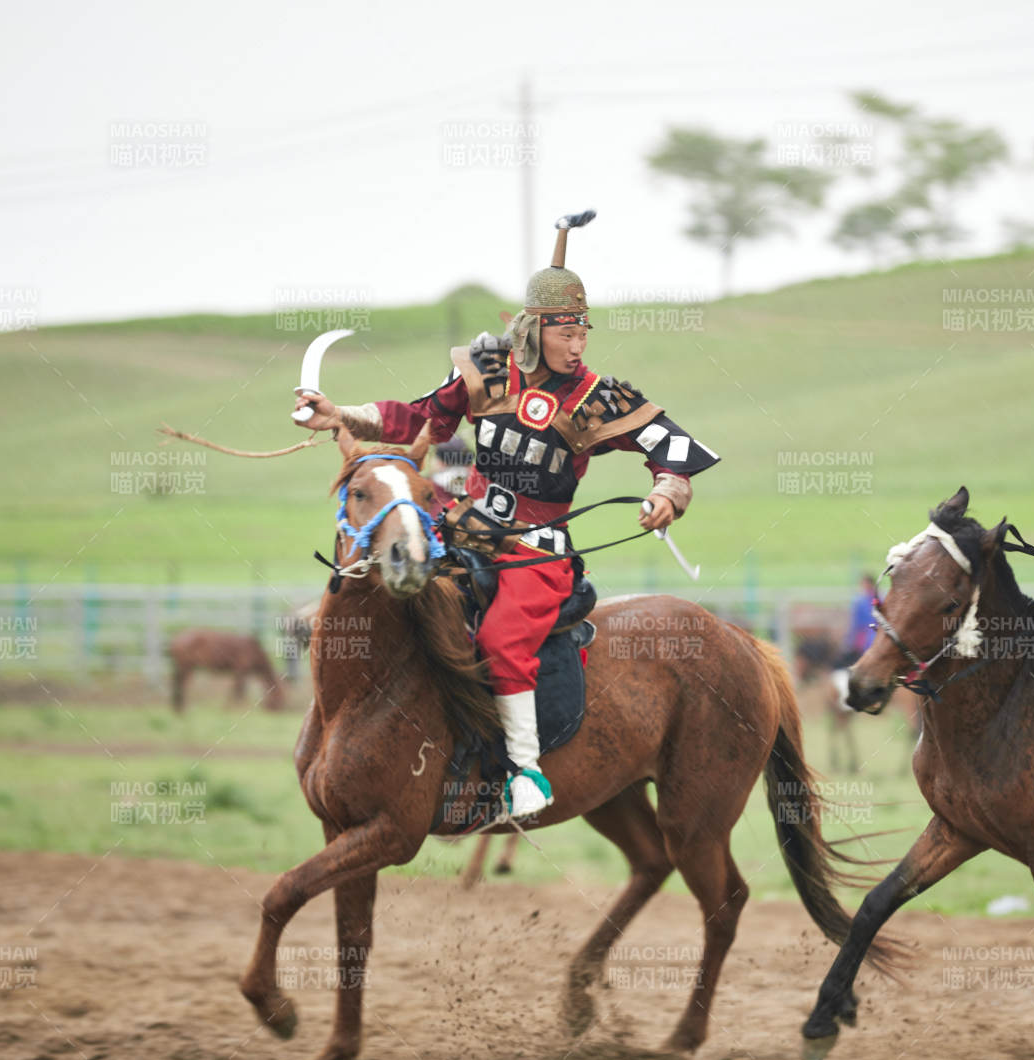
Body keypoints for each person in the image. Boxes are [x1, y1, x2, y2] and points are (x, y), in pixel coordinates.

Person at [293, 213, 718, 819]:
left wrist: (668, 492)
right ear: (534, 328)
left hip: (536, 552)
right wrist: (342, 414)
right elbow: (419, 419)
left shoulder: (598, 397)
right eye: (567, 332)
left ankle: (525, 773)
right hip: (462, 528)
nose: (579, 344)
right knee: (388, 587)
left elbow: (670, 445)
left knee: (498, 638)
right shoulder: (489, 369)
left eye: (584, 332)